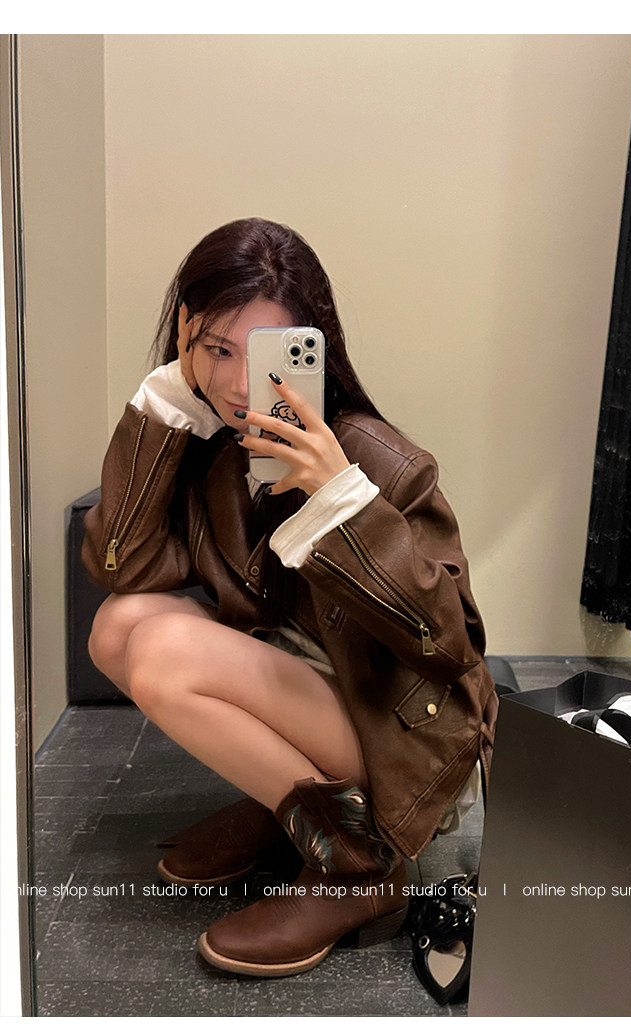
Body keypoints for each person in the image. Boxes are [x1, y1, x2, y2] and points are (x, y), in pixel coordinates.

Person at [83, 217, 498, 978]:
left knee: (165, 652)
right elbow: (124, 566)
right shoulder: (211, 448)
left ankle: (360, 868)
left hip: (405, 736)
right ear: (184, 330)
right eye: (217, 350)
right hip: (313, 693)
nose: (241, 386)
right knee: (118, 627)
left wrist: (342, 504)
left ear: (313, 350)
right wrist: (162, 406)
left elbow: (452, 648)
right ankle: (294, 809)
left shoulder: (378, 460)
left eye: (269, 357)